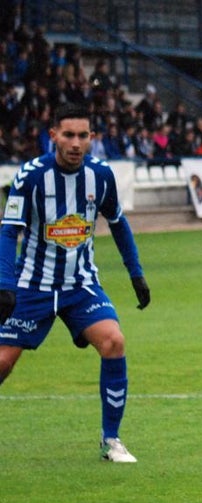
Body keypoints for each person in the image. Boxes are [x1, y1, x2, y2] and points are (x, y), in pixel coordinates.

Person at [0, 103, 151, 462]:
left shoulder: (101, 175)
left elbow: (118, 223)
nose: (75, 143)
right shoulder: (31, 176)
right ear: (53, 135)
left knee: (114, 341)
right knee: (3, 363)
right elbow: (9, 232)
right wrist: (5, 285)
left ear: (92, 138)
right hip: (32, 287)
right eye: (68, 135)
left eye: (83, 135)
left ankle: (111, 440)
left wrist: (136, 274)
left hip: (80, 285)